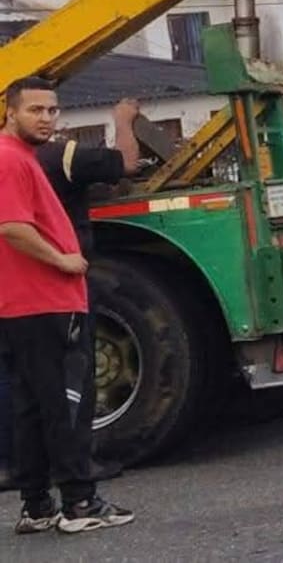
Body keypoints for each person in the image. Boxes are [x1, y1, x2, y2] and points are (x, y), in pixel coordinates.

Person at [0, 77, 134, 534]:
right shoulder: (9, 159)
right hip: (44, 299)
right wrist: (62, 259)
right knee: (67, 404)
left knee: (32, 407)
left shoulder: (22, 157)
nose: (45, 118)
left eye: (52, 110)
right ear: (10, 111)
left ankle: (36, 506)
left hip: (26, 304)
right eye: (34, 110)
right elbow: (12, 226)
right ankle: (80, 504)